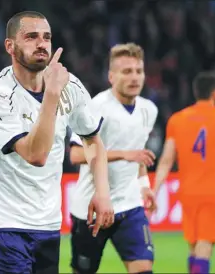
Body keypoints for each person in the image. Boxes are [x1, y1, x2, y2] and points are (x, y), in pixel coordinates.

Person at [0, 11, 114, 274]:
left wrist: (103, 191)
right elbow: (36, 155)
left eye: (47, 37)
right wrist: (51, 94)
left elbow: (92, 140)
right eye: (31, 37)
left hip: (47, 225)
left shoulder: (70, 86)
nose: (41, 44)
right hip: (2, 225)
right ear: (10, 46)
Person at [68, 43, 158, 274]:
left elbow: (138, 153)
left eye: (138, 71)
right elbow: (76, 154)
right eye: (126, 71)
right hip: (91, 208)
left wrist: (144, 185)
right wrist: (124, 155)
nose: (134, 77)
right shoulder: (96, 107)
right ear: (111, 76)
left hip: (130, 206)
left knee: (144, 269)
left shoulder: (149, 109)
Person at [154, 72, 215, 274]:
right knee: (205, 246)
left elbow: (166, 160)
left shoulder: (177, 120)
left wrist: (155, 189)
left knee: (194, 245)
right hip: (213, 192)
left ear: (195, 92)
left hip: (187, 193)